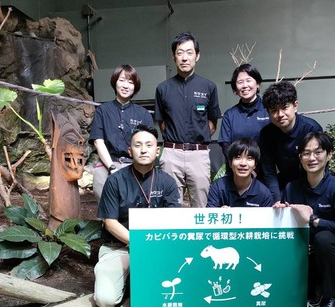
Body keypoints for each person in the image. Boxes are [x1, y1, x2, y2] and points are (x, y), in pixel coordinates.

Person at [274, 132, 335, 307]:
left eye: (318, 152)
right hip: (304, 257)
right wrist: (279, 213)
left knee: (324, 238)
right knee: (300, 294)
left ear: (329, 155)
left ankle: (332, 300)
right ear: (300, 158)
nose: (312, 158)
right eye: (306, 153)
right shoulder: (291, 188)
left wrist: (314, 219)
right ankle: (315, 288)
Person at [94, 124, 180, 307]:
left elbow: (173, 219)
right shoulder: (114, 181)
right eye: (138, 145)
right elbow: (110, 223)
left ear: (157, 151)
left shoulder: (168, 182)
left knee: (167, 291)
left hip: (156, 248)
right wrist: (139, 242)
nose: (143, 150)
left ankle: (132, 280)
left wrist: (150, 246)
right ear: (129, 151)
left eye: (149, 145)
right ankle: (123, 279)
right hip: (119, 248)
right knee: (105, 301)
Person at [154, 32, 221, 208]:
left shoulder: (209, 87)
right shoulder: (163, 89)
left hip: (198, 155)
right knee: (170, 205)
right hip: (171, 154)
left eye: (189, 52)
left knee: (201, 205)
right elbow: (162, 123)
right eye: (180, 52)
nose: (184, 58)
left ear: (197, 56)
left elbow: (212, 123)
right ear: (174, 56)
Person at [89, 64, 154, 202]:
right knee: (107, 211)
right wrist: (112, 168)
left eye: (130, 82)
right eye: (122, 80)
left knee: (135, 211)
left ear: (135, 86)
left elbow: (148, 145)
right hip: (108, 164)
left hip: (135, 166)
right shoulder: (103, 110)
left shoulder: (143, 114)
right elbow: (98, 142)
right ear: (115, 82)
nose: (125, 86)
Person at [259, 80, 322, 201]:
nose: (280, 114)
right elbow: (269, 171)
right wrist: (276, 200)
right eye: (274, 110)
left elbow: (320, 165)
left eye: (284, 108)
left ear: (295, 106)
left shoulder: (311, 129)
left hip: (313, 181)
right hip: (285, 182)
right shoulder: (267, 133)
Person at [218, 64, 270, 164]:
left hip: (266, 170)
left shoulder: (268, 110)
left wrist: (255, 168)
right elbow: (226, 145)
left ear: (257, 83)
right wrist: (239, 165)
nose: (245, 85)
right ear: (235, 88)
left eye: (248, 80)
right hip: (237, 170)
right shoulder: (230, 115)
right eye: (240, 82)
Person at [206, 138, 273, 208]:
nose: (243, 163)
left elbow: (267, 218)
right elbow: (209, 215)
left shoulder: (263, 193)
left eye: (249, 158)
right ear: (230, 163)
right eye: (238, 157)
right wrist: (220, 213)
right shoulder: (218, 187)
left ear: (255, 165)